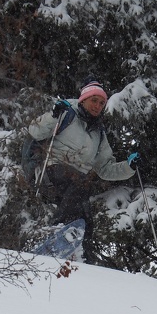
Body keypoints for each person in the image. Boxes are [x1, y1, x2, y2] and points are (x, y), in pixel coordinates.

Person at [25, 77, 141, 261]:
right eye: (94, 100)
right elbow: (35, 130)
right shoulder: (65, 113)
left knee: (86, 219)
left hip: (74, 185)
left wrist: (128, 167)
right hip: (49, 172)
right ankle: (55, 229)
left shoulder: (99, 134)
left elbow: (105, 169)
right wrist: (53, 116)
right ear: (83, 99)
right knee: (79, 182)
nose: (98, 105)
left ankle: (81, 258)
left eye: (102, 102)